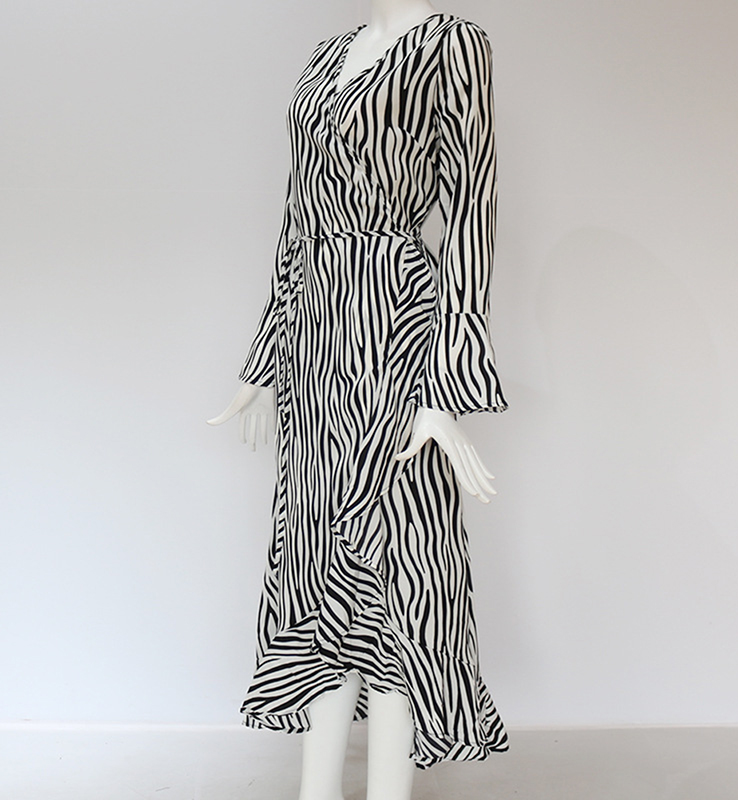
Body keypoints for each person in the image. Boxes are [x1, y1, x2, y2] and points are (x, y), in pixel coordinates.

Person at [209, 3, 509, 798]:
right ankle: (317, 790)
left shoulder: (452, 43)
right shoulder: (326, 54)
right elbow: (296, 218)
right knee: (316, 559)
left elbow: (471, 217)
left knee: (395, 561)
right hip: (315, 335)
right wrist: (264, 360)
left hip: (394, 321)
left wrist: (445, 388)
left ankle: (387, 793)